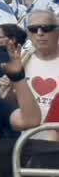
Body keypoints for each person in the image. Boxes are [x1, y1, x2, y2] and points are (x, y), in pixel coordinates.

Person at [23, 10, 59, 138]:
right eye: (33, 29)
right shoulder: (21, 61)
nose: (39, 33)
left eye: (46, 28)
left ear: (57, 31)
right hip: (29, 141)